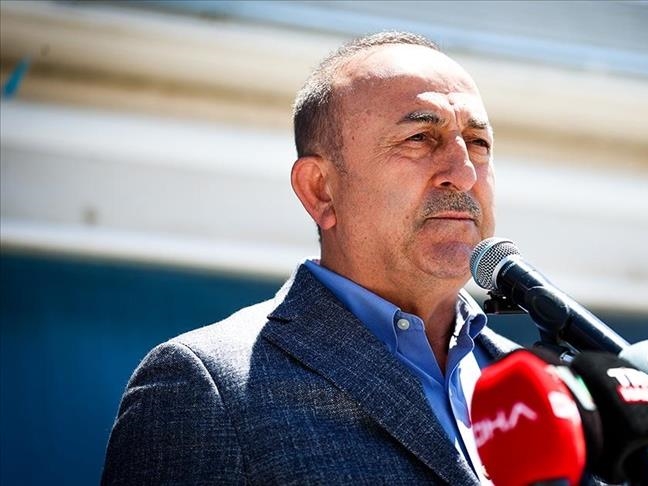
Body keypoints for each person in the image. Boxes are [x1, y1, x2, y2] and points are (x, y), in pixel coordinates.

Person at [101, 31, 520, 485]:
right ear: (320, 189)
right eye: (420, 138)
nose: (464, 173)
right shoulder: (205, 387)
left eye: (478, 142)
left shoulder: (547, 388)